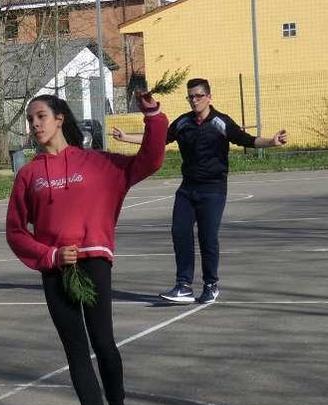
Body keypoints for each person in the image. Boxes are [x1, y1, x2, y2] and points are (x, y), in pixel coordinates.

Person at [6, 92, 168, 405]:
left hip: (93, 261)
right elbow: (16, 231)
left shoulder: (97, 163)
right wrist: (48, 255)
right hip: (54, 267)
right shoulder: (29, 175)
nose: (35, 125)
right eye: (31, 120)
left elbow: (150, 160)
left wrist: (154, 117)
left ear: (60, 118)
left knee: (103, 342)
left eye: (41, 116)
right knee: (75, 350)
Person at [112, 78, 288, 303]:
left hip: (213, 189)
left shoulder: (221, 122)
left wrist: (272, 141)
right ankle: (183, 285)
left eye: (198, 96)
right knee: (180, 232)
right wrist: (125, 137)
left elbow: (247, 140)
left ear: (209, 97)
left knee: (207, 238)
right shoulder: (183, 122)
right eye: (190, 97)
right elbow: (158, 140)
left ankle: (210, 285)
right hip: (187, 189)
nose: (194, 101)